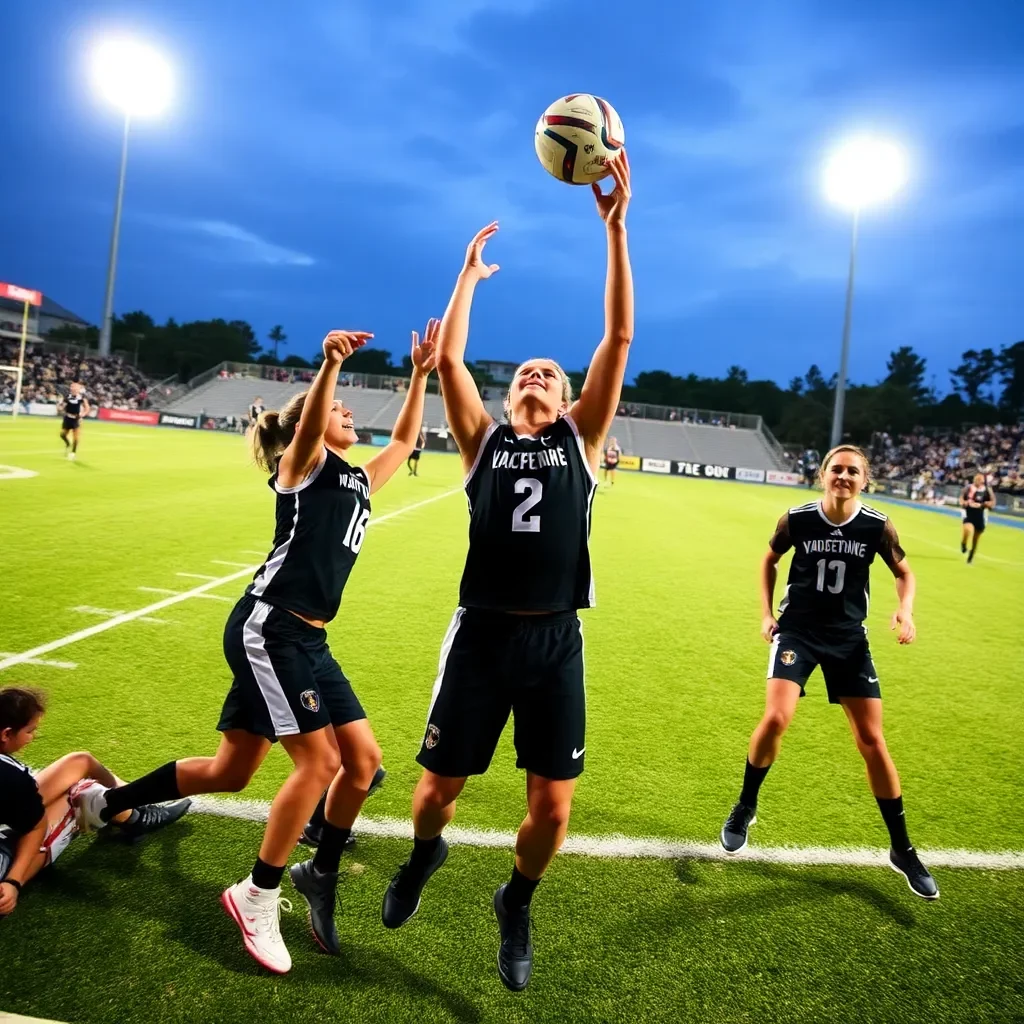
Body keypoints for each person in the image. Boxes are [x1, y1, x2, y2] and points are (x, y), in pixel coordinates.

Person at [96, 324, 439, 974]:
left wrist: (421, 375)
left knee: (328, 765)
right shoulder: (302, 466)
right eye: (338, 408)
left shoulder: (359, 479)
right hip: (270, 627)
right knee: (319, 764)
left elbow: (404, 440)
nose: (345, 412)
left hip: (306, 639)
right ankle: (256, 894)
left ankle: (104, 804)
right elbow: (311, 422)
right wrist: (330, 363)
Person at [381, 150, 633, 991]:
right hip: (482, 638)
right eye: (528, 369)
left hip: (555, 640)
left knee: (552, 811)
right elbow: (451, 363)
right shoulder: (482, 442)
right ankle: (424, 857)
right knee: (432, 797)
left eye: (552, 374)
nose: (539, 374)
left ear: (568, 401)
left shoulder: (581, 441)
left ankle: (516, 898)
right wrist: (467, 279)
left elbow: (619, 336)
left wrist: (616, 232)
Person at [719, 445, 938, 900]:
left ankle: (902, 848)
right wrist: (764, 613)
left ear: (865, 479)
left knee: (872, 740)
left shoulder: (876, 525)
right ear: (822, 474)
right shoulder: (796, 518)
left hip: (848, 639)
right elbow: (768, 561)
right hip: (797, 632)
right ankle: (745, 806)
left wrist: (906, 610)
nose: (843, 476)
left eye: (852, 471)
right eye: (836, 469)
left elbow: (904, 572)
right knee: (777, 718)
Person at [0, 687, 191, 918]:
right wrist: (14, 882)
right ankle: (134, 818)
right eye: (30, 731)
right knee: (81, 795)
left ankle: (132, 808)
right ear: (6, 734)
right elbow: (35, 828)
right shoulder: (11, 776)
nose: (34, 737)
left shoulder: (12, 777)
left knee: (79, 762)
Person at [960, 472, 995, 563]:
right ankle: (963, 543)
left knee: (976, 538)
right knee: (967, 530)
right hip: (969, 513)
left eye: (980, 480)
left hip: (980, 515)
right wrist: (964, 503)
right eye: (977, 479)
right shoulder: (968, 488)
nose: (978, 481)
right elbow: (961, 499)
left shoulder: (987, 490)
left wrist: (988, 504)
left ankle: (971, 554)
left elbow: (992, 502)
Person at [58, 382, 90, 460]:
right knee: (62, 435)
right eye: (72, 387)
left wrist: (83, 414)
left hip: (76, 419)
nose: (73, 388)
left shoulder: (82, 398)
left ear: (79, 389)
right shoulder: (67, 397)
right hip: (67, 418)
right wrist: (60, 406)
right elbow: (61, 407)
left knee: (76, 437)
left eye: (75, 387)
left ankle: (73, 453)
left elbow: (87, 408)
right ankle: (68, 444)